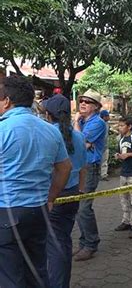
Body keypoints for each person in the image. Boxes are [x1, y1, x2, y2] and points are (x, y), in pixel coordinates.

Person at [0, 76, 72, 288]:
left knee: (9, 275)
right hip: (39, 209)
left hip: (7, 211)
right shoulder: (50, 130)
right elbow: (65, 167)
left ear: (6, 101)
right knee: (37, 271)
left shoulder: (3, 130)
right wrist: (51, 197)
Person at [43, 94, 87, 288]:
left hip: (54, 196)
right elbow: (83, 167)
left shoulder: (46, 133)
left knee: (54, 246)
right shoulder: (78, 135)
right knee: (63, 241)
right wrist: (81, 189)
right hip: (72, 194)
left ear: (47, 114)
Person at [73, 89, 107, 261]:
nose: (83, 104)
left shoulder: (97, 123)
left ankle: (91, 244)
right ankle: (84, 243)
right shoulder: (82, 121)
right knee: (79, 208)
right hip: (79, 167)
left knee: (84, 208)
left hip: (90, 167)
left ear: (96, 107)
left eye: (88, 101)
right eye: (81, 101)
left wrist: (76, 124)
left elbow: (80, 143)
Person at [100, 109, 111, 181]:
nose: (109, 117)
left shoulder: (107, 124)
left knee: (105, 161)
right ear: (104, 117)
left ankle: (103, 175)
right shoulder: (99, 124)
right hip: (98, 146)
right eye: (107, 116)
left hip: (105, 145)